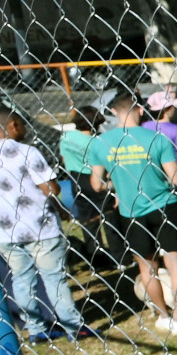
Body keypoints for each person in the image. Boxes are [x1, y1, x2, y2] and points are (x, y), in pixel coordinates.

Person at [88, 91, 177, 334]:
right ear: (140, 110)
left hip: (131, 212)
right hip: (165, 206)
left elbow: (96, 184)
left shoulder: (102, 143)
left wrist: (117, 185)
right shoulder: (156, 138)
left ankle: (163, 315)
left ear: (114, 112)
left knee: (146, 267)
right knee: (175, 264)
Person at [0, 109, 90, 342]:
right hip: (40, 227)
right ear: (13, 126)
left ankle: (36, 329)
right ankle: (73, 327)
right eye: (22, 124)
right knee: (53, 278)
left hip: (6, 231)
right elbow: (51, 189)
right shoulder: (26, 151)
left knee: (21, 279)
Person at [60, 106, 111, 266]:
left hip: (76, 179)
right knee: (109, 216)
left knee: (88, 220)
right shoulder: (97, 142)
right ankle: (118, 254)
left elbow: (63, 158)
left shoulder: (66, 137)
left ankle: (96, 257)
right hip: (96, 178)